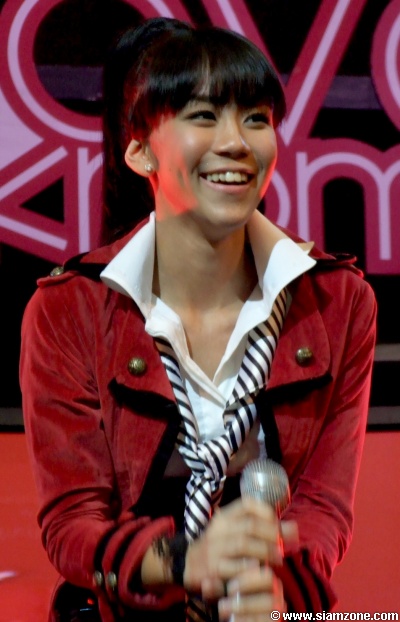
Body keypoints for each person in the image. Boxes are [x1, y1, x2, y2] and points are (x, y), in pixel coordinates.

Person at [20, 16, 377, 622]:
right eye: (204, 116)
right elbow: (73, 523)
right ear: (140, 151)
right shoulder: (69, 310)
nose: (237, 142)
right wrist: (187, 562)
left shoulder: (338, 303)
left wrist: (279, 590)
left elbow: (322, 507)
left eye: (256, 118)